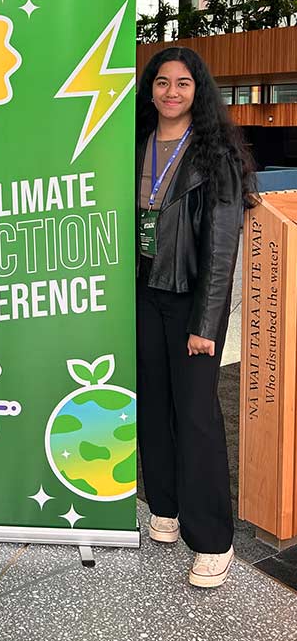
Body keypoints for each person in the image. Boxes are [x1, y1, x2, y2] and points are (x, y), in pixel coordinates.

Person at [136, 46, 255, 589]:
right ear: (151, 89)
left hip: (190, 303)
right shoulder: (134, 145)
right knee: (153, 407)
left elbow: (222, 248)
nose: (171, 93)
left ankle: (212, 540)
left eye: (183, 84)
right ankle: (164, 506)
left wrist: (206, 326)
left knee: (198, 417)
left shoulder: (217, 156)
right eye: (162, 83)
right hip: (142, 297)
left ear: (198, 91)